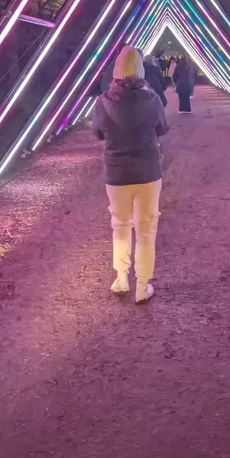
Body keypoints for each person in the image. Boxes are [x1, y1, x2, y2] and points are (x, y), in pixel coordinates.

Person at [92, 45, 169, 303]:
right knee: (146, 229)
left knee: (120, 226)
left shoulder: (103, 101)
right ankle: (143, 285)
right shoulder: (152, 99)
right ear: (140, 71)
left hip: (116, 172)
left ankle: (121, 278)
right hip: (148, 170)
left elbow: (98, 133)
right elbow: (163, 128)